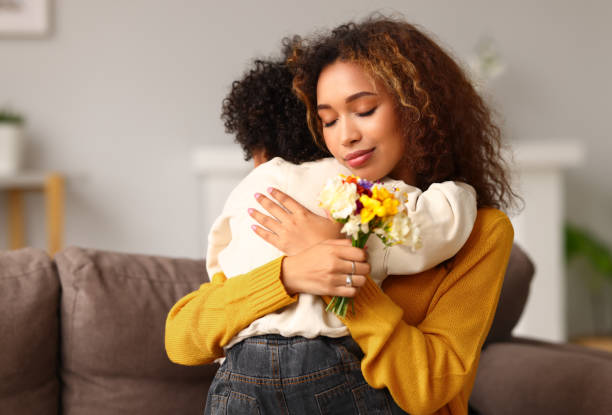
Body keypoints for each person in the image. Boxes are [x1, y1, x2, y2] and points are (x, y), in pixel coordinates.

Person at [166, 16, 515, 415]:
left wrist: (339, 263)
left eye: (363, 110)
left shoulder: (479, 231)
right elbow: (182, 337)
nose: (344, 136)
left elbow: (428, 389)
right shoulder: (311, 204)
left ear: (418, 108)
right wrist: (289, 274)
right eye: (328, 120)